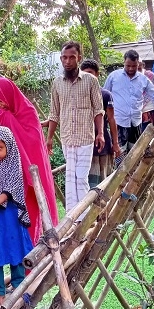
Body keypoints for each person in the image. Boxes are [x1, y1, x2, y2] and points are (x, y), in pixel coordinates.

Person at [0, 77, 58, 245]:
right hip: (17, 173)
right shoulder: (4, 116)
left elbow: (34, 142)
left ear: (9, 95)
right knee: (23, 214)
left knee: (38, 205)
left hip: (34, 166)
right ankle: (29, 249)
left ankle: (46, 240)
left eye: (0, 100)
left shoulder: (28, 112)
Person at [47, 41, 105, 215]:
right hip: (67, 138)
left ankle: (83, 216)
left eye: (72, 57)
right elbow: (54, 113)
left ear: (79, 58)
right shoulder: (57, 83)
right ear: (61, 58)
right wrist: (49, 138)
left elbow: (98, 109)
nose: (68, 61)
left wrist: (100, 133)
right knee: (70, 178)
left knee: (81, 177)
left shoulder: (91, 81)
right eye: (64, 57)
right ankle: (72, 216)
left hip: (85, 138)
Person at [0, 126, 34, 303]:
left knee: (15, 248)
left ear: (8, 146)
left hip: (10, 214)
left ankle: (19, 287)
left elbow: (10, 189)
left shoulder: (13, 164)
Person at [103, 49, 154, 154]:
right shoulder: (113, 77)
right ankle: (120, 170)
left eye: (134, 66)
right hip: (118, 122)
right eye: (128, 66)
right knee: (119, 152)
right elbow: (104, 96)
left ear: (138, 64)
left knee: (135, 152)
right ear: (124, 63)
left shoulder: (143, 79)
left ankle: (133, 170)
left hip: (136, 122)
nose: (130, 69)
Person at [80, 58, 121, 188]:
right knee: (88, 181)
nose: (88, 76)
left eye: (90, 73)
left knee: (104, 180)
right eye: (84, 73)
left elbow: (112, 120)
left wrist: (115, 144)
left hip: (103, 143)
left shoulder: (105, 95)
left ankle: (105, 207)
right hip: (85, 143)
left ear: (97, 74)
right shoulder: (78, 95)